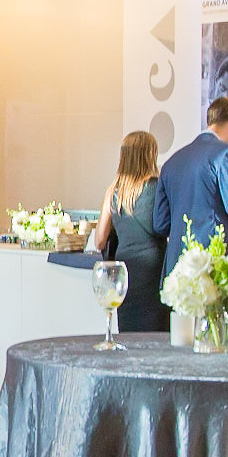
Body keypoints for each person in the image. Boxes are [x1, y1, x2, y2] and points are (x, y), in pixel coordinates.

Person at [153, 97, 228, 261]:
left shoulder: (171, 163)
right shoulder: (227, 153)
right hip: (213, 261)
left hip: (178, 264)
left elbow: (161, 224)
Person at [92, 130, 169, 332]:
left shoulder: (114, 191)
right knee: (155, 333)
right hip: (154, 269)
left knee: (129, 332)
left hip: (125, 270)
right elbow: (163, 227)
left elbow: (99, 241)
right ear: (149, 155)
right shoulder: (157, 187)